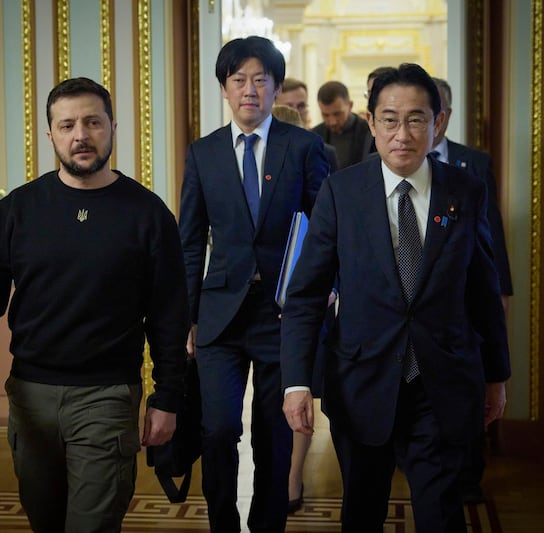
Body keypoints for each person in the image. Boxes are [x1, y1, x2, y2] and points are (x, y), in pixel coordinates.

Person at [0, 77, 190, 533]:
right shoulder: (20, 209)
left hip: (107, 397)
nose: (81, 135)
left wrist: (167, 396)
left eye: (93, 122)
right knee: (46, 523)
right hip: (30, 396)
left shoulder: (148, 214)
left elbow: (169, 315)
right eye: (67, 125)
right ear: (51, 134)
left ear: (113, 127)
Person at [281, 63, 511, 532]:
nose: (401, 133)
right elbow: (306, 295)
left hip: (442, 383)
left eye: (415, 119)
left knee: (441, 516)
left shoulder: (464, 191)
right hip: (361, 382)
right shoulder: (341, 192)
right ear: (371, 122)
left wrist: (496, 376)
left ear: (437, 121)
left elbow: (483, 289)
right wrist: (296, 381)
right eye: (389, 119)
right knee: (362, 512)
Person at [179, 36, 328, 533]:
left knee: (273, 434)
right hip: (220, 313)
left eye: (260, 80)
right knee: (218, 428)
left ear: (276, 87)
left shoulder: (305, 147)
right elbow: (190, 241)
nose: (250, 89)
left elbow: (324, 229)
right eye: (239, 79)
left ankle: (268, 527)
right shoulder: (202, 154)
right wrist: (189, 316)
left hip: (281, 315)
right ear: (224, 87)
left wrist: (314, 298)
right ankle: (222, 523)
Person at [431, 76, 514, 504]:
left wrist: (501, 288)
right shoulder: (385, 161)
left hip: (465, 301)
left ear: (445, 114)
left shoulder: (472, 164)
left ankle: (468, 476)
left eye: (439, 110)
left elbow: (491, 234)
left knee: (468, 388)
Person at [270, 104, 335, 513]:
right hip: (256, 295)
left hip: (308, 292)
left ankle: (292, 475)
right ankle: (285, 475)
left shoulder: (320, 167)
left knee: (301, 386)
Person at [312, 80, 374, 169]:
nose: (332, 121)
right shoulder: (315, 135)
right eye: (325, 115)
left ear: (350, 105)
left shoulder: (369, 132)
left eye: (337, 114)